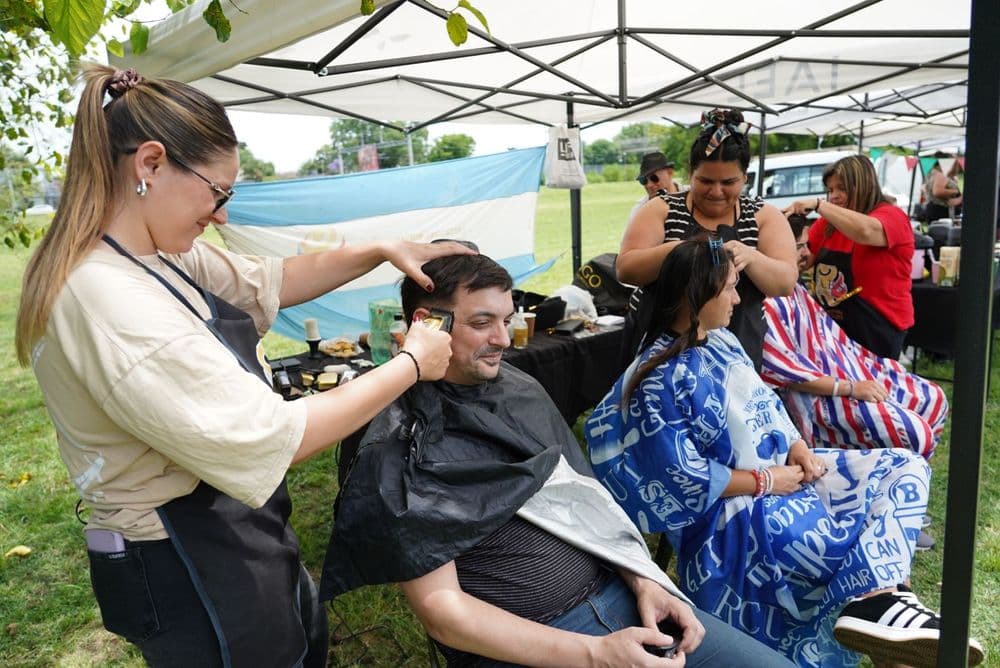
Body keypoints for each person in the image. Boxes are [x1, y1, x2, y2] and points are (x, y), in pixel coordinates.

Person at [13, 64, 472, 666]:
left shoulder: (154, 253)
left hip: (226, 519)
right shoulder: (106, 295)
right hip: (178, 551)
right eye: (217, 192)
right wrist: (411, 364)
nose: (222, 215)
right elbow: (274, 437)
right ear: (150, 164)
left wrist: (382, 249)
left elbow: (272, 281)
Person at [320, 251, 796, 668]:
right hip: (540, 646)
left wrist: (644, 580)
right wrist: (595, 655)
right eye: (482, 322)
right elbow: (445, 613)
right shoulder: (396, 435)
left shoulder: (516, 390)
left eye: (507, 320)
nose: (504, 340)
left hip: (624, 598)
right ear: (426, 323)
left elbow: (585, 502)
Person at [585, 240, 984, 668]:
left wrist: (797, 447)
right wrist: (767, 481)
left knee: (902, 466)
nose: (739, 299)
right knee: (838, 543)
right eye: (731, 288)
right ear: (695, 294)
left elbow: (769, 406)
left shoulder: (725, 343)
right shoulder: (658, 380)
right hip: (734, 511)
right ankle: (886, 611)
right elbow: (682, 477)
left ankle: (880, 600)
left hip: (787, 476)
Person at [618, 109, 797, 372]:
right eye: (705, 181)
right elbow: (626, 269)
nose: (716, 192)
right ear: (691, 174)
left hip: (736, 350)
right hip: (660, 349)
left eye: (728, 182)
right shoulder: (661, 209)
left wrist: (752, 257)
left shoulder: (764, 216)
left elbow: (784, 283)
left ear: (745, 178)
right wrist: (683, 250)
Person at [762, 217, 948, 460]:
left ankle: (905, 476)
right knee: (914, 433)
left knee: (933, 398)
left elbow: (837, 344)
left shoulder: (796, 289)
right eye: (800, 247)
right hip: (819, 398)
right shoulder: (766, 305)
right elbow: (787, 374)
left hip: (847, 373)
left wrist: (865, 372)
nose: (808, 253)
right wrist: (851, 387)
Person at [784, 154, 914, 360]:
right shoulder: (827, 225)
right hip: (834, 324)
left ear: (862, 185)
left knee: (872, 388)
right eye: (830, 190)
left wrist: (820, 205)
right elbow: (803, 258)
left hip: (878, 325)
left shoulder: (892, 216)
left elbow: (865, 232)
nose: (834, 196)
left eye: (841, 188)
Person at [628, 152, 682, 221]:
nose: (649, 185)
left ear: (670, 173)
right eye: (644, 180)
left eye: (654, 178)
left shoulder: (691, 195)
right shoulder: (639, 210)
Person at [922, 154, 963, 222]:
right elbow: (937, 192)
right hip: (940, 212)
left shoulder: (933, 172)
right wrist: (956, 191)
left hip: (935, 210)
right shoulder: (940, 174)